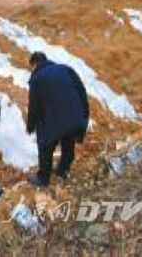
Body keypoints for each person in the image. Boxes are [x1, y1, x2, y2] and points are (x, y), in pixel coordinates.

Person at [25, 52, 90, 187]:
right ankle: (63, 170)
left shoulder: (37, 79)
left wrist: (31, 126)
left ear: (34, 64)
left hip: (56, 121)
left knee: (45, 146)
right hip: (75, 116)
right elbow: (82, 92)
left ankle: (43, 179)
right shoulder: (67, 69)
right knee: (68, 141)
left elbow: (34, 107)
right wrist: (84, 117)